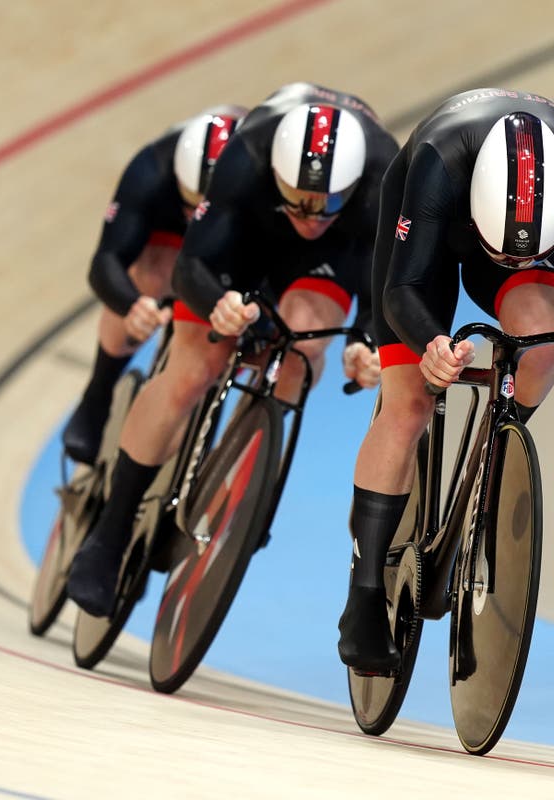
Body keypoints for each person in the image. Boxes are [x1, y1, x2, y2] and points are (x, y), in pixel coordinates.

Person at [67, 83, 398, 617]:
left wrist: (365, 339)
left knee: (301, 350)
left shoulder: (386, 181)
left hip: (338, 252)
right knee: (194, 369)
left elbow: (388, 281)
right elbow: (190, 265)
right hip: (250, 236)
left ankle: (243, 463)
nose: (313, 215)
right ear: (275, 173)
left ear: (354, 185)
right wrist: (215, 305)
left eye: (328, 203)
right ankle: (109, 532)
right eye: (301, 200)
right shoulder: (245, 157)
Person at [337, 88, 554, 674]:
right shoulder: (439, 164)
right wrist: (433, 347)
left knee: (544, 341)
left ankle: (494, 456)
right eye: (504, 252)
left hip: (521, 224)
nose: (512, 263)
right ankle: (363, 594)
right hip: (431, 235)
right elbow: (402, 293)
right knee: (410, 402)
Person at [62, 104, 248, 465]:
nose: (198, 216)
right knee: (152, 272)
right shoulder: (151, 168)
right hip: (167, 237)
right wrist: (133, 305)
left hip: (231, 236)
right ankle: (98, 394)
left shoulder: (255, 181)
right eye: (192, 202)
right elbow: (106, 260)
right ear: (177, 177)